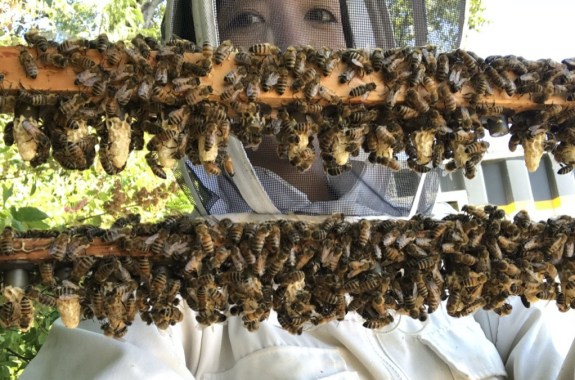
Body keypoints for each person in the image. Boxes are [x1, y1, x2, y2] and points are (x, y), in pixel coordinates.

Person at [21, 1, 575, 379]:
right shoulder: (164, 292)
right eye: (247, 17)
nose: (292, 49)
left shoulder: (470, 268)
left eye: (319, 14)